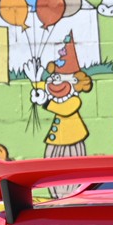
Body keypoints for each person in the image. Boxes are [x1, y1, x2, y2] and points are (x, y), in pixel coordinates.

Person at [30, 36, 91, 197]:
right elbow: (45, 89)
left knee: (71, 173)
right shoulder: (56, 92)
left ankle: (69, 196)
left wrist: (44, 102)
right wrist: (36, 80)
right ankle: (57, 196)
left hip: (72, 143)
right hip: (56, 142)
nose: (53, 83)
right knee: (50, 170)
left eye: (58, 79)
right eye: (52, 78)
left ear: (75, 82)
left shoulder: (74, 100)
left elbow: (65, 109)